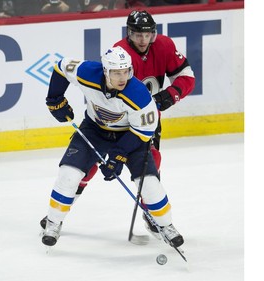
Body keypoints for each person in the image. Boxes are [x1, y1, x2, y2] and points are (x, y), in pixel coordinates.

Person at [40, 10, 195, 240]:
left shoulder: (158, 56)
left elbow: (186, 78)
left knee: (150, 172)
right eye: (137, 34)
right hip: (100, 125)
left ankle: (156, 216)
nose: (143, 40)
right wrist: (54, 100)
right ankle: (60, 208)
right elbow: (62, 68)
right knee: (77, 170)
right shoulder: (109, 60)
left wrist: (170, 95)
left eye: (147, 34)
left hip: (139, 125)